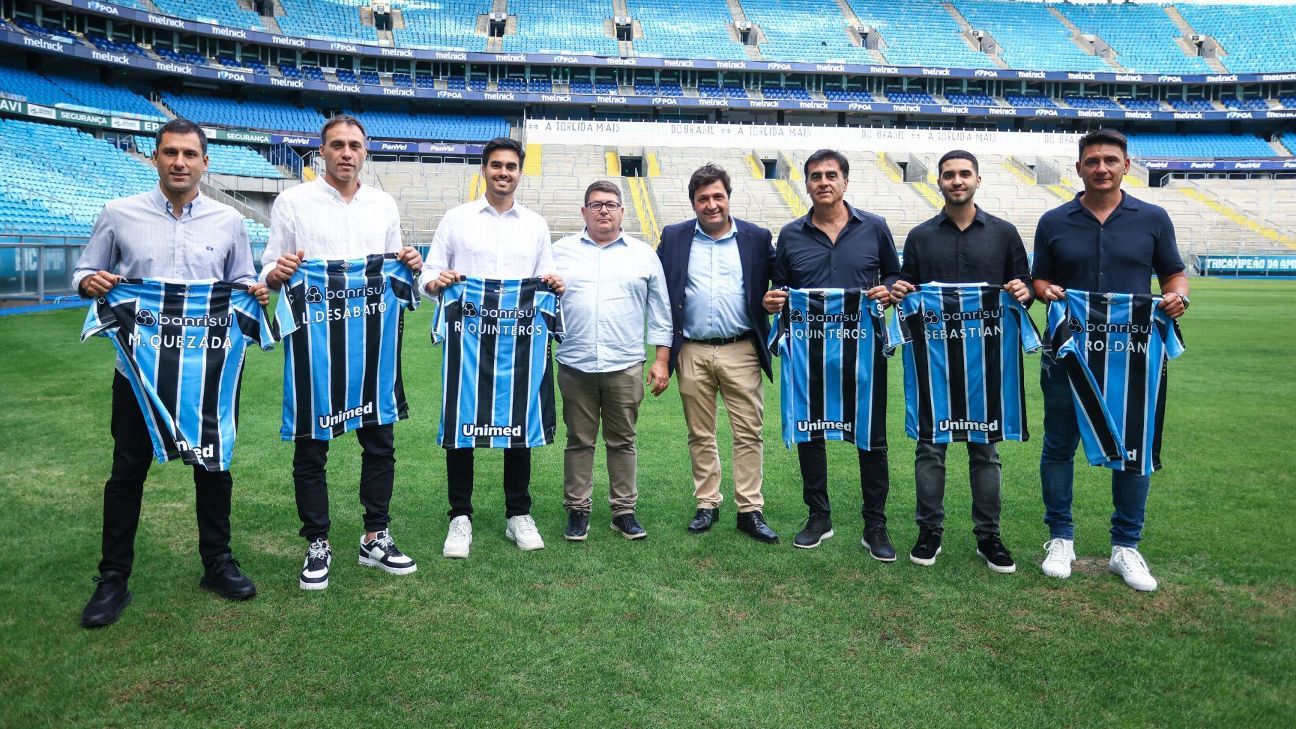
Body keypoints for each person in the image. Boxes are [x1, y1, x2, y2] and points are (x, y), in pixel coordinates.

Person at [74, 118, 269, 628]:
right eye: (169, 153)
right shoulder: (118, 214)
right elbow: (83, 272)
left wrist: (254, 291)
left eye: (189, 154)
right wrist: (90, 282)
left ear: (205, 162)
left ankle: (217, 563)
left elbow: (241, 279)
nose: (179, 162)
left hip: (209, 370)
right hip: (138, 372)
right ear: (155, 157)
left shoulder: (229, 222)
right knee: (126, 471)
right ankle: (113, 579)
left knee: (214, 466)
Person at [262, 115, 424, 590]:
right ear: (322, 151)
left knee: (380, 444)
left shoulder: (383, 203)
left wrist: (411, 263)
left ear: (366, 151)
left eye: (354, 145)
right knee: (311, 447)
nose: (346, 153)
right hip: (316, 344)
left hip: (373, 345)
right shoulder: (292, 202)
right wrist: (278, 271)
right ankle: (317, 541)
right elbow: (270, 268)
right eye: (337, 145)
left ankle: (376, 535)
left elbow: (396, 267)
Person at [1032, 128, 1189, 592]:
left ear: (1125, 165)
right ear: (1079, 167)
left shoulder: (1154, 218)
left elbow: (1174, 275)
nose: (1102, 168)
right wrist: (1046, 291)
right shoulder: (1054, 220)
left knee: (1133, 446)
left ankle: (1126, 546)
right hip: (1068, 353)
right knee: (1059, 444)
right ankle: (1061, 537)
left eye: (1110, 160)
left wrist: (1178, 298)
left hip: (1132, 355)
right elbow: (1039, 280)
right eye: (1093, 161)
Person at [889, 149, 1032, 573]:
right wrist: (899, 289)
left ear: (977, 180)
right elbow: (907, 285)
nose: (957, 181)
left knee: (984, 450)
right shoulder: (919, 236)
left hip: (987, 362)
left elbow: (1023, 280)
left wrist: (1022, 290)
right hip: (934, 361)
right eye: (949, 175)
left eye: (964, 174)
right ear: (938, 182)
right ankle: (929, 529)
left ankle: (988, 535)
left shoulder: (1004, 233)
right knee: (930, 447)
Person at [421, 136, 564, 557]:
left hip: (520, 343)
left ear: (520, 172)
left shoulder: (535, 224)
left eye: (511, 167)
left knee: (518, 422)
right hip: (468, 342)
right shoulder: (456, 218)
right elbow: (429, 272)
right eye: (496, 165)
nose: (504, 173)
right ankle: (459, 516)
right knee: (463, 422)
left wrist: (555, 282)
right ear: (483, 169)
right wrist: (435, 282)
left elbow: (547, 274)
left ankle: (517, 513)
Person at [763, 149, 900, 560]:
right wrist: (772, 300)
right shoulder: (790, 234)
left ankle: (875, 525)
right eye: (815, 176)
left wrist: (889, 290)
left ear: (845, 180)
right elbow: (781, 288)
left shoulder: (874, 227)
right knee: (811, 431)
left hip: (863, 350)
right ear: (806, 184)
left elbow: (895, 274)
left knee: (872, 439)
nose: (824, 181)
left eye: (831, 175)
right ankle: (818, 517)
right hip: (810, 352)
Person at [657, 164, 779, 543]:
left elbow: (784, 280)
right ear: (693, 202)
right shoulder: (674, 237)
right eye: (703, 199)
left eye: (717, 196)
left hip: (741, 347)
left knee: (748, 432)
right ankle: (707, 503)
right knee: (700, 432)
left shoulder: (757, 237)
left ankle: (750, 509)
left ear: (729, 197)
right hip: (691, 349)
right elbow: (657, 289)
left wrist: (776, 300)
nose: (711, 205)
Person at [552, 180, 672, 541]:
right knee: (579, 440)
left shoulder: (643, 253)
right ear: (583, 211)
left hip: (625, 364)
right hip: (575, 364)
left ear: (622, 211)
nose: (604, 210)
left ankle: (623, 511)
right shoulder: (559, 251)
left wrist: (661, 360)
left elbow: (661, 311)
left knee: (623, 440)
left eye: (611, 204)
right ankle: (577, 510)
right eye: (596, 204)